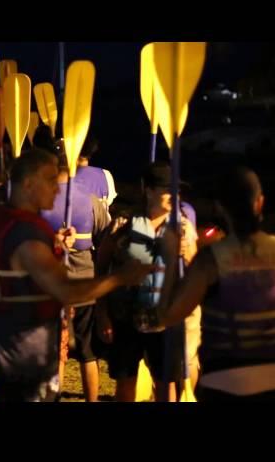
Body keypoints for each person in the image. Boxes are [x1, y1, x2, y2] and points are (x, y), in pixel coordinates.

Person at [0, 148, 156, 402]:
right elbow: (67, 290)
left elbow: (13, 264)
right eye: (50, 180)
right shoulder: (27, 234)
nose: (58, 189)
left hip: (0, 343)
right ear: (27, 184)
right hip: (29, 351)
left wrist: (55, 245)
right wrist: (121, 277)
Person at [163, 167, 275, 402]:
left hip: (225, 384)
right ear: (260, 203)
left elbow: (169, 314)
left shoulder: (211, 259)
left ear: (220, 207)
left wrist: (169, 257)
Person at [96, 161, 200, 401]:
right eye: (167, 189)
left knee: (167, 388)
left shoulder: (182, 227)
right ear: (148, 190)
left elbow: (196, 273)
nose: (174, 195)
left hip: (166, 320)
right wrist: (102, 314)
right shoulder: (122, 225)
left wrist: (187, 253)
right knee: (125, 387)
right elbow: (101, 269)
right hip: (126, 319)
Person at [40, 160, 111, 402]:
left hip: (53, 286)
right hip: (85, 285)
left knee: (58, 353)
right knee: (87, 352)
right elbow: (106, 235)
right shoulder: (90, 200)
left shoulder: (41, 201)